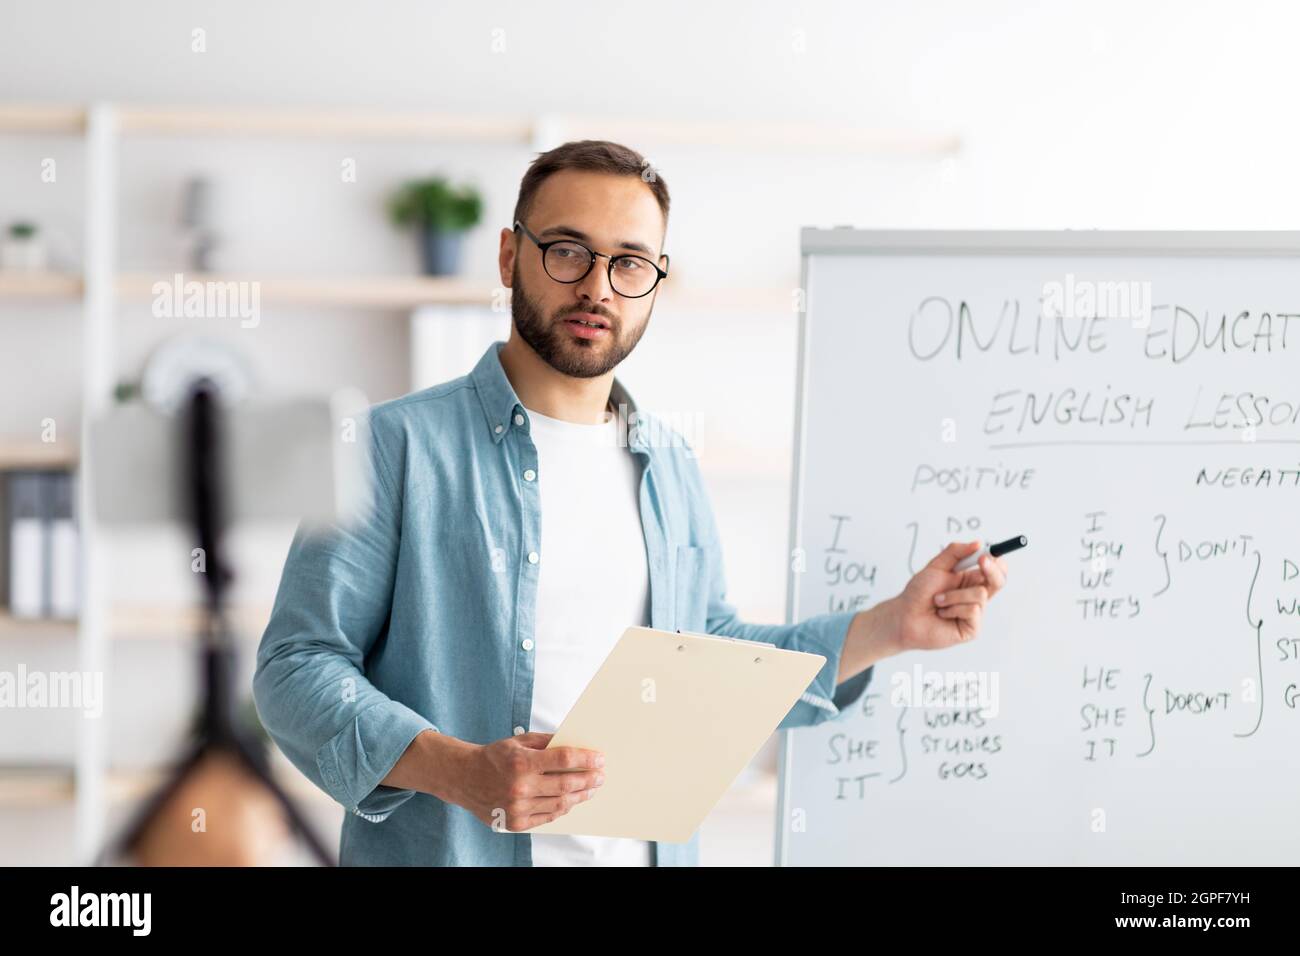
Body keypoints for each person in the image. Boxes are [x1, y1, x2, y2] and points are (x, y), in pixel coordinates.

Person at [252, 140, 1010, 866]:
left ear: (655, 279)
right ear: (511, 254)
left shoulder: (669, 464)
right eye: (569, 250)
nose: (598, 287)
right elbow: (295, 668)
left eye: (630, 263)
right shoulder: (392, 445)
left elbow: (712, 655)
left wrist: (892, 627)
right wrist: (458, 771)